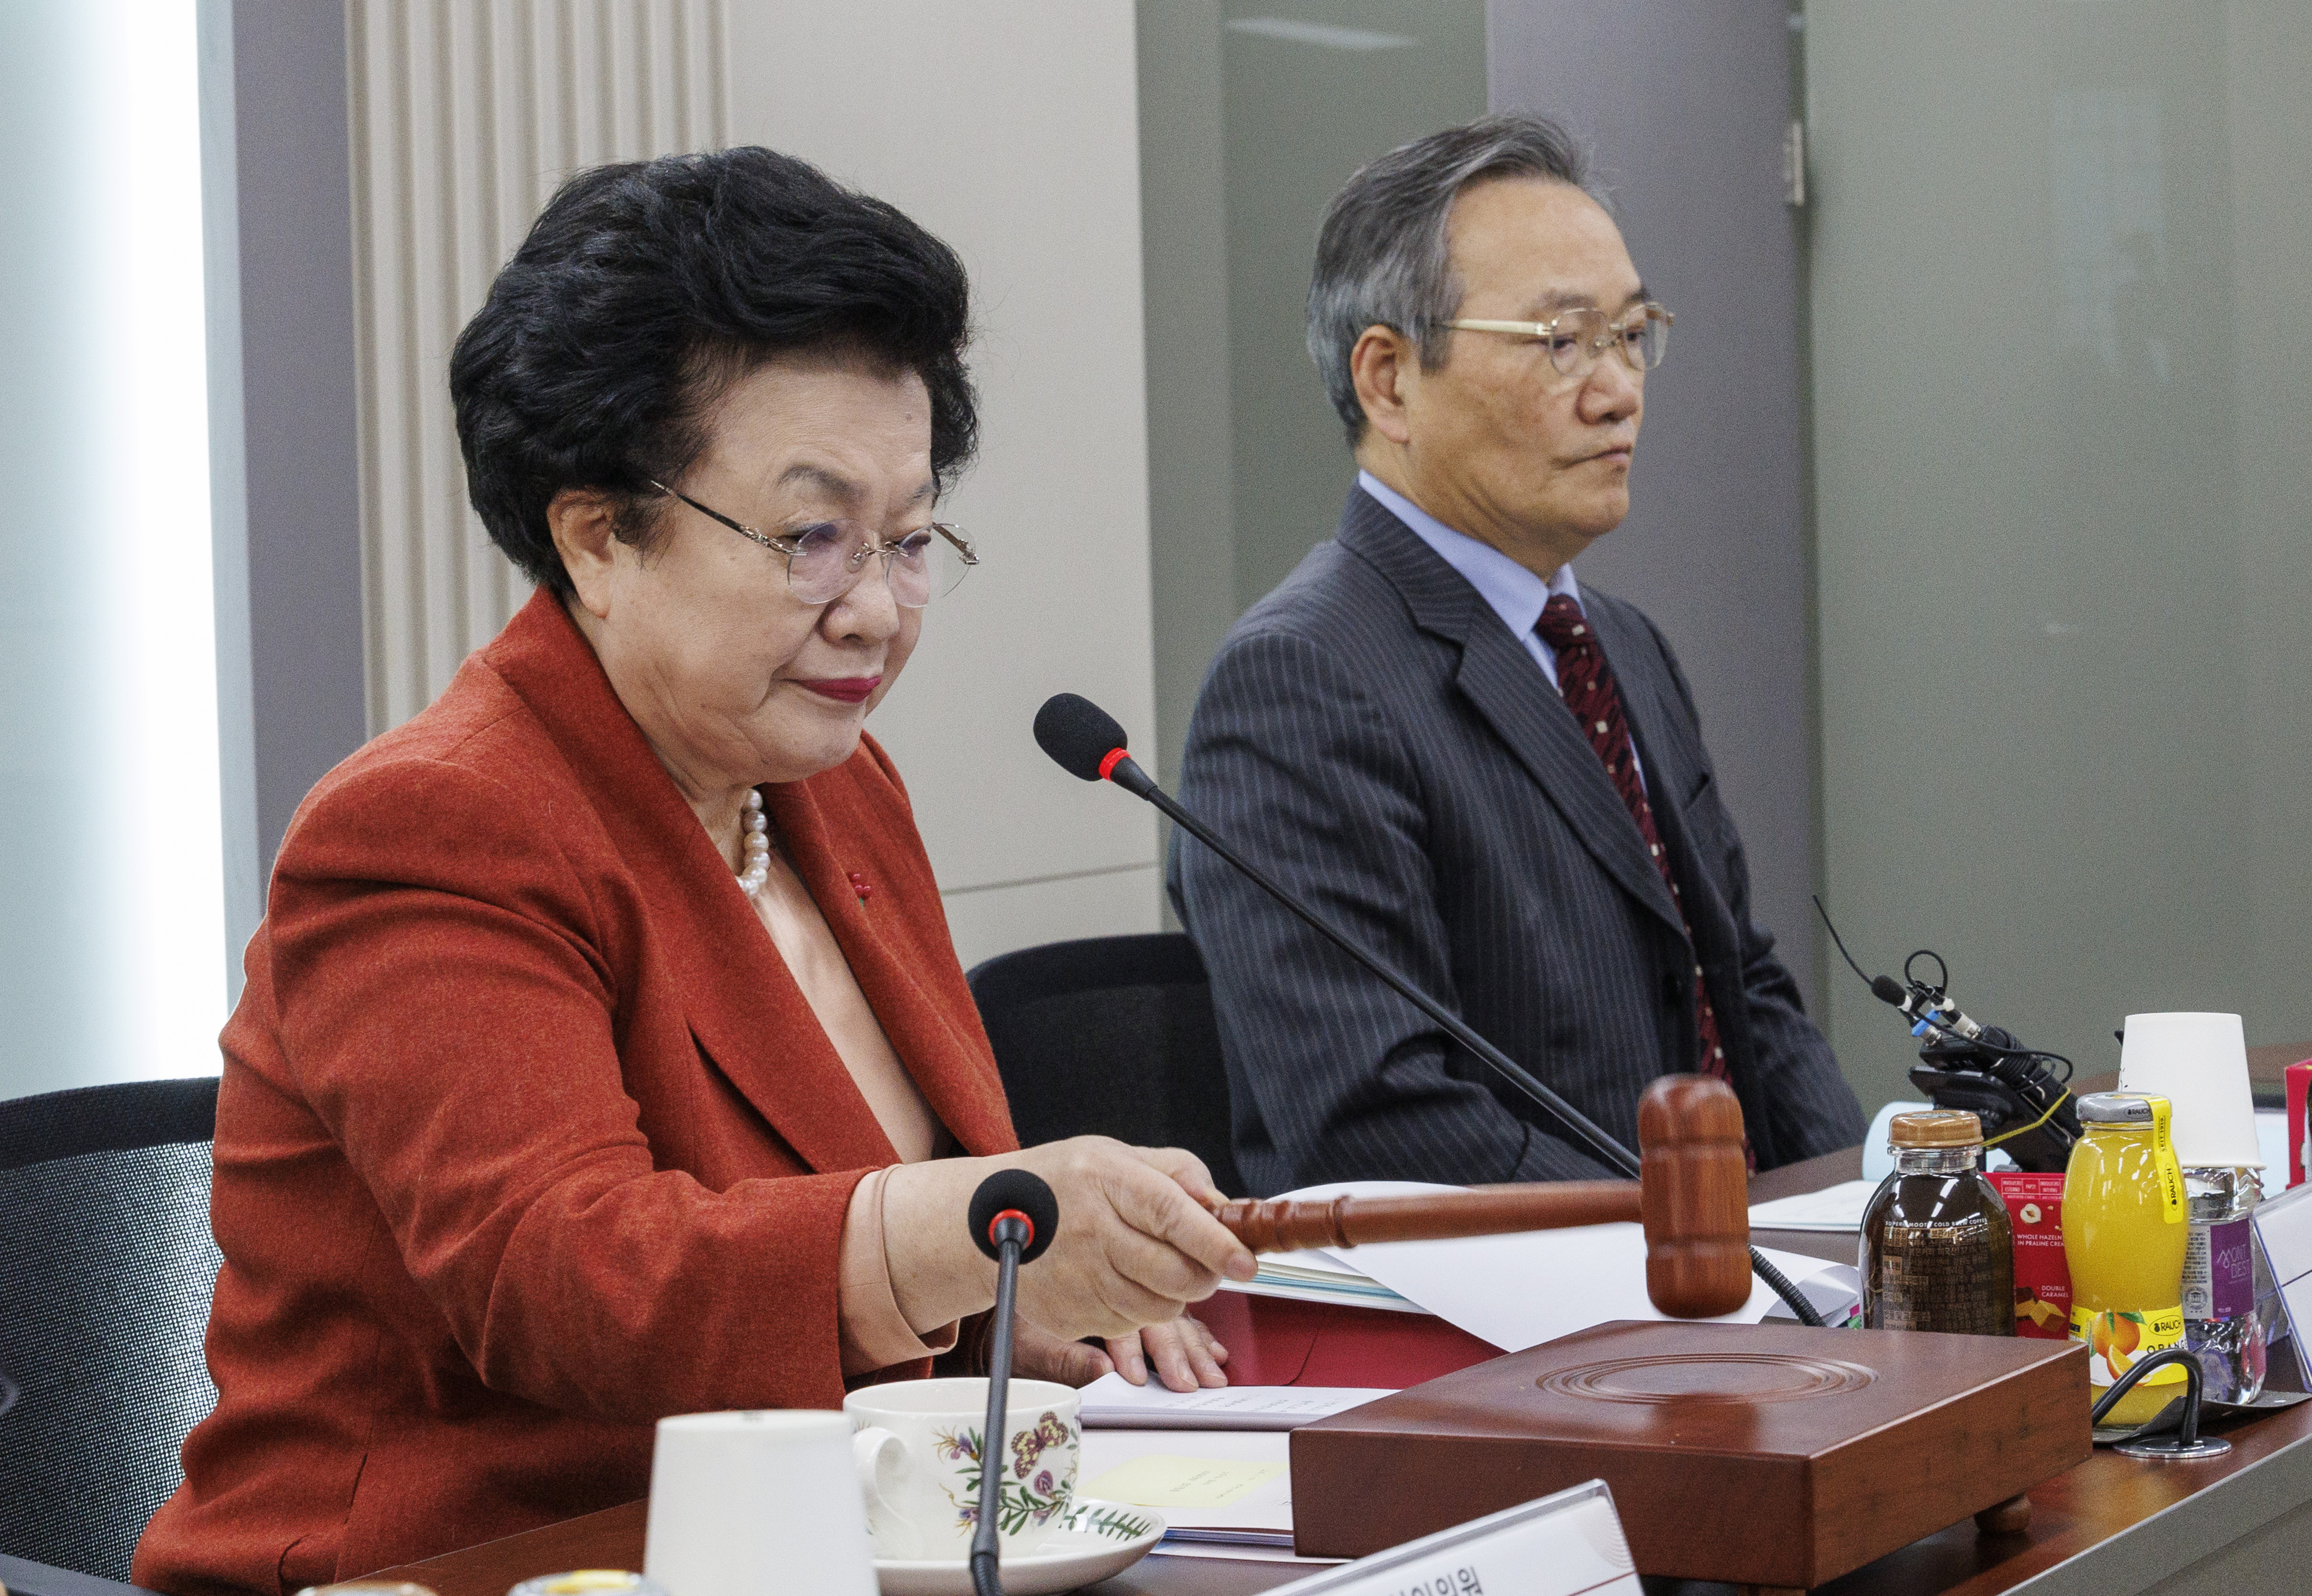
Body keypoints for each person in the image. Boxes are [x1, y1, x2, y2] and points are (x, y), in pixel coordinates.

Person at [135, 147, 1253, 1596]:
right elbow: (572, 1275)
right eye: (812, 537)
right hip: (476, 1567)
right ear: (598, 534)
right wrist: (985, 1233)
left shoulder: (831, 788)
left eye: (910, 539)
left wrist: (1013, 1327)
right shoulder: (427, 826)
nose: (875, 611)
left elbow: (842, 1253)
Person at [1171, 115, 1865, 1196]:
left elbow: (1741, 991)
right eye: (1562, 341)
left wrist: (1859, 1214)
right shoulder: (1300, 680)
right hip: (1527, 1329)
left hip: (1736, 1294)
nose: (1620, 388)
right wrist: (1700, 1244)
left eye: (1633, 334)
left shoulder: (1622, 645)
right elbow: (1374, 1118)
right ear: (1390, 381)